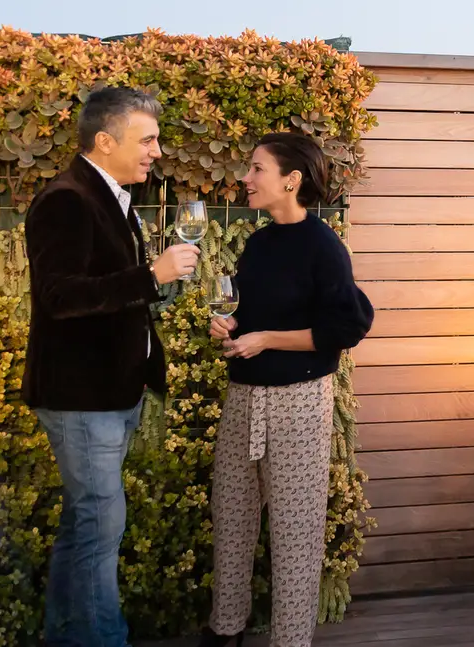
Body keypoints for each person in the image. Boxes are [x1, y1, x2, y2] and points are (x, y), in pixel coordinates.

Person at [23, 86, 201, 647]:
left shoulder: (113, 197)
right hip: (83, 399)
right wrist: (152, 276)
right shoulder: (67, 199)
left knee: (84, 531)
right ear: (105, 140)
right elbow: (60, 296)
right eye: (146, 140)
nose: (156, 151)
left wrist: (157, 288)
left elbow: (113, 296)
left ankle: (65, 638)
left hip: (110, 397)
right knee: (100, 529)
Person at [200, 132, 375, 647]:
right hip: (243, 399)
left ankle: (290, 641)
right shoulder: (257, 244)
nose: (247, 179)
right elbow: (249, 318)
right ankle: (225, 629)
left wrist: (266, 339)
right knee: (230, 518)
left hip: (299, 402)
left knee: (296, 533)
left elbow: (344, 329)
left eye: (257, 169)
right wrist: (230, 329)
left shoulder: (324, 247)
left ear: (290, 180)